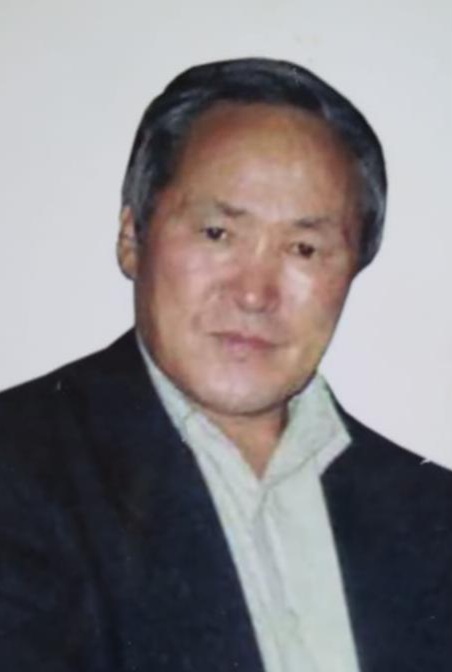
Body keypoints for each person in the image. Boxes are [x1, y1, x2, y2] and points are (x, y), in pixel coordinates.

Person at [0, 58, 450, 672]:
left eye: (304, 248)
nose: (254, 293)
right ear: (132, 237)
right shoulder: (21, 469)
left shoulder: (433, 512)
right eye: (217, 233)